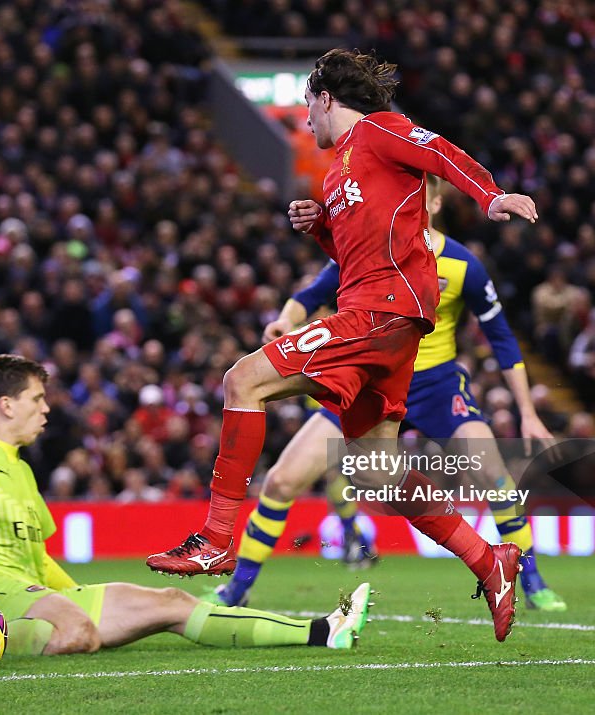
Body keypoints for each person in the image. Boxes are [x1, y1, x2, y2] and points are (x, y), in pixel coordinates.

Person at [147, 49, 538, 641]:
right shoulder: (337, 171)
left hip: (382, 312)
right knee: (374, 475)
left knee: (242, 380)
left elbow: (440, 151)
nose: (305, 120)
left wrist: (489, 196)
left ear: (327, 98)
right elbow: (357, 258)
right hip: (382, 318)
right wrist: (323, 227)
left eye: (307, 106)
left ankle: (217, 541)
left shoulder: (382, 130)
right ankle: (490, 560)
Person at [0, 355, 371, 656]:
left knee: (170, 602)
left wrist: (73, 591)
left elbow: (39, 563)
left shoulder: (23, 471)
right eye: (37, 399)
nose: (47, 408)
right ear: (6, 405)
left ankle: (324, 632)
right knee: (78, 630)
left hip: (27, 590)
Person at [210, 176, 566, 612]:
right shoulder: (368, 253)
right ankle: (237, 588)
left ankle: (530, 579)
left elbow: (502, 339)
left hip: (435, 386)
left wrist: (527, 412)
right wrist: (286, 320)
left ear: (434, 201)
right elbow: (310, 295)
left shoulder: (463, 265)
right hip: (367, 381)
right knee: (283, 480)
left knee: (493, 475)